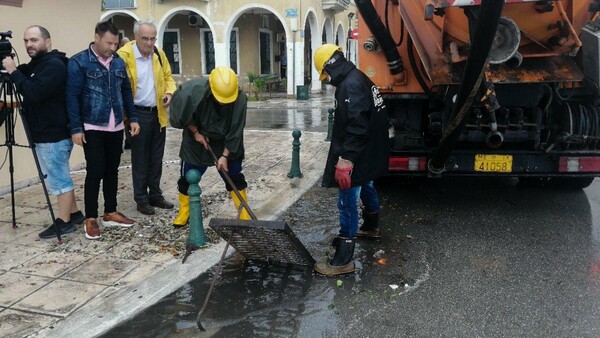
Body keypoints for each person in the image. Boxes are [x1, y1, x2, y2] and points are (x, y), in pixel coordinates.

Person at [312, 44, 390, 276]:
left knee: (347, 201)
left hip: (358, 154)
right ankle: (371, 226)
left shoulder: (350, 85)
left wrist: (346, 160)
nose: (326, 80)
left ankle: (343, 260)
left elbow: (357, 126)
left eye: (325, 74)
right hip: (369, 151)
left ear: (330, 66)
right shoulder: (359, 78)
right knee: (367, 185)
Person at [1, 25, 85, 239]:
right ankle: (74, 214)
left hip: (52, 135)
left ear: (47, 42)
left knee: (58, 180)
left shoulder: (54, 66)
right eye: (26, 40)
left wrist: (12, 71)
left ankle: (63, 222)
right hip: (46, 133)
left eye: (34, 40)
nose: (29, 44)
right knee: (60, 176)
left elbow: (34, 91)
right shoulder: (36, 65)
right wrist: (11, 69)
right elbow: (24, 78)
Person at [66, 21, 140, 240]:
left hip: (116, 125)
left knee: (112, 169)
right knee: (95, 170)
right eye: (109, 43)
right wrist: (76, 128)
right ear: (97, 38)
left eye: (115, 43)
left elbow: (126, 90)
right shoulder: (79, 62)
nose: (113, 48)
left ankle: (110, 211)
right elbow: (71, 97)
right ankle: (91, 217)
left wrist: (132, 118)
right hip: (92, 125)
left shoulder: (118, 62)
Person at [169, 66, 251, 227]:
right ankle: (185, 212)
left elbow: (236, 130)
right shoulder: (191, 93)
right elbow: (180, 117)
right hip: (197, 138)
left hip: (226, 139)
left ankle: (244, 214)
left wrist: (225, 156)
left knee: (233, 176)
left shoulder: (240, 99)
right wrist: (195, 131)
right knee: (189, 176)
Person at [117, 20, 176, 215]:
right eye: (145, 39)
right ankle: (141, 199)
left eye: (153, 39)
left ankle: (155, 195)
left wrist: (169, 93)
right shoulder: (124, 56)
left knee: (156, 157)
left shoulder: (158, 54)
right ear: (136, 37)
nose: (150, 43)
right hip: (136, 114)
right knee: (140, 159)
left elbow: (168, 77)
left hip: (157, 112)